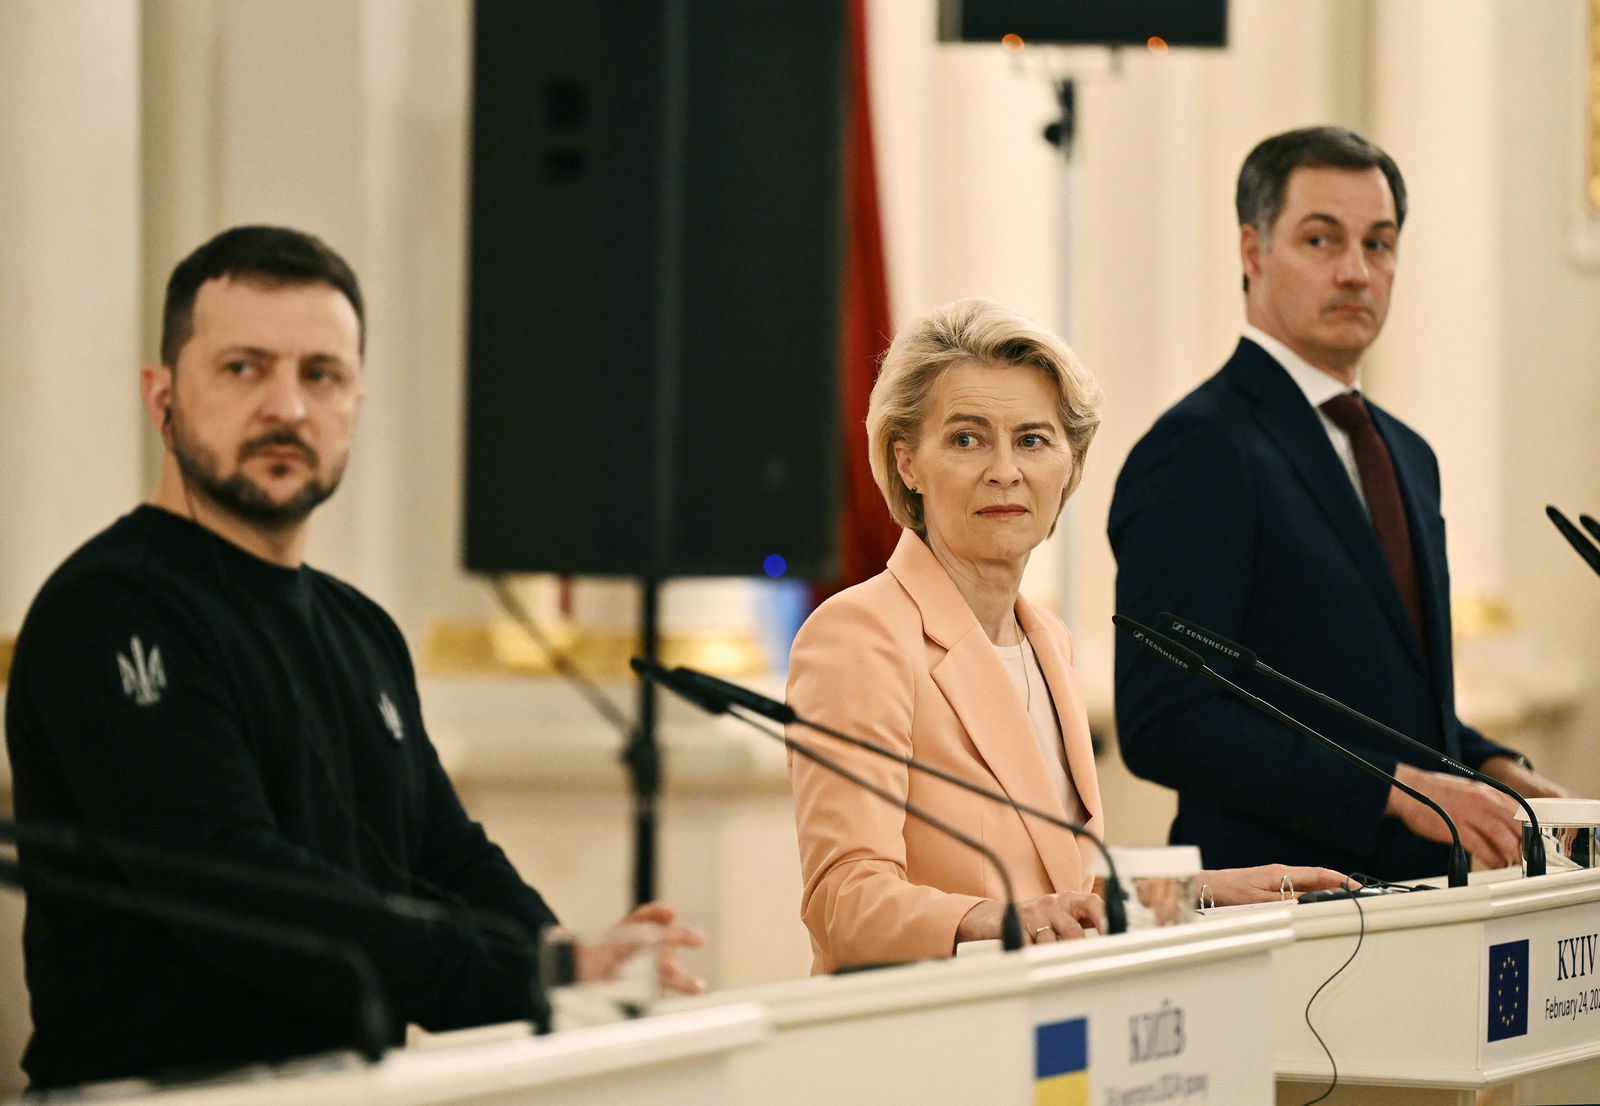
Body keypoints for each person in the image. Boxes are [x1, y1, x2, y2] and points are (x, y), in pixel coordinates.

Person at [3, 226, 703, 1090]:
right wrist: (540, 979)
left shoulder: (359, 626)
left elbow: (445, 857)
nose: (287, 408)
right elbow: (242, 893)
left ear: (355, 403)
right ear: (162, 398)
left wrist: (566, 956)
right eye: (243, 368)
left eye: (320, 375)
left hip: (357, 1085)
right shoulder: (108, 609)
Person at [786, 298, 1343, 974]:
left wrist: (1199, 895)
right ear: (908, 464)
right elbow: (844, 903)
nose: (1005, 470)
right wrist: (998, 922)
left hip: (1051, 1028)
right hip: (924, 1041)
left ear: (1068, 465)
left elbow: (1061, 888)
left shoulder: (1047, 638)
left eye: (1032, 439)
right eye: (966, 439)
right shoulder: (859, 634)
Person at [1109, 126, 1568, 882]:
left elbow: (1382, 699)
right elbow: (1167, 722)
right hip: (1282, 907)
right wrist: (1390, 790)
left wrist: (1490, 765)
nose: (1357, 271)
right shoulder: (1199, 448)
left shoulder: (1406, 453)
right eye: (1321, 241)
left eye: (1379, 244)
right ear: (1253, 253)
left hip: (1419, 899)